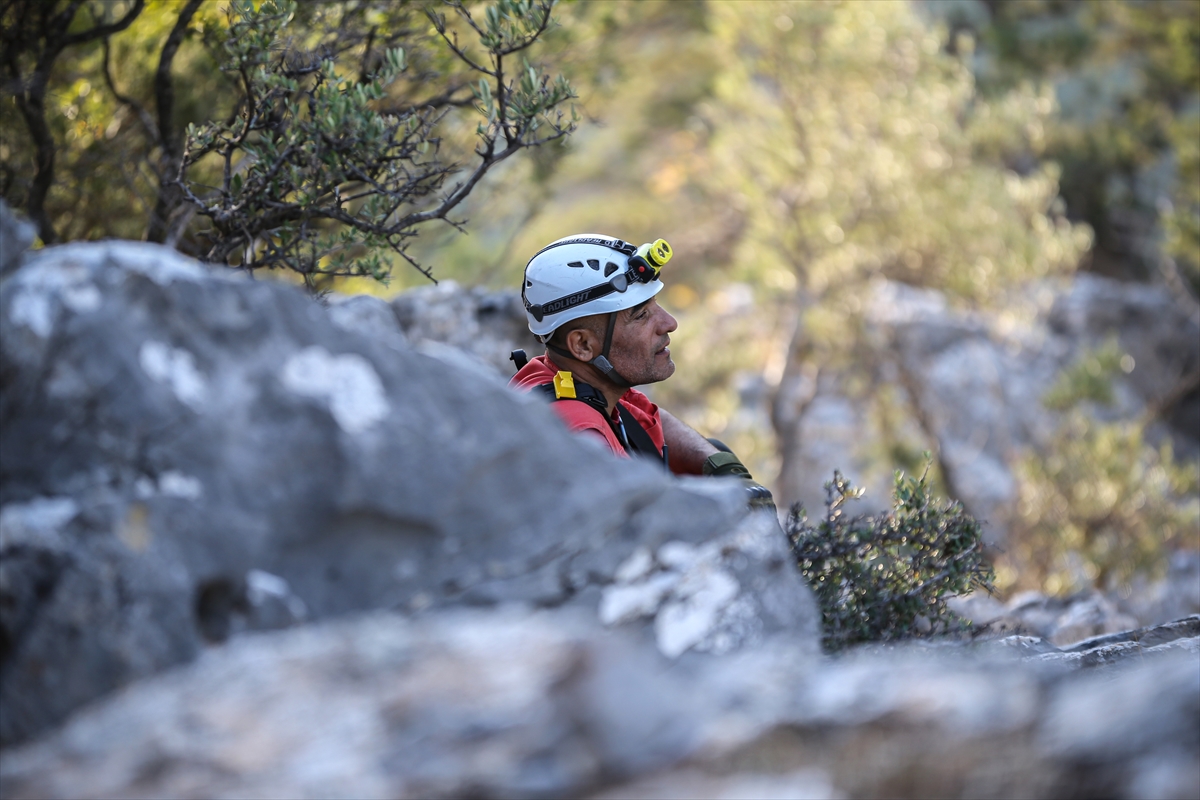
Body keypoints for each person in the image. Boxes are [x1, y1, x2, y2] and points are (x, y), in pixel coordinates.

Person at [509, 233, 772, 506]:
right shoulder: (581, 439)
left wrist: (723, 468)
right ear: (583, 344)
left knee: (715, 450)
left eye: (654, 305)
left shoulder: (573, 383)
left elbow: (645, 417)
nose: (669, 323)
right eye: (641, 315)